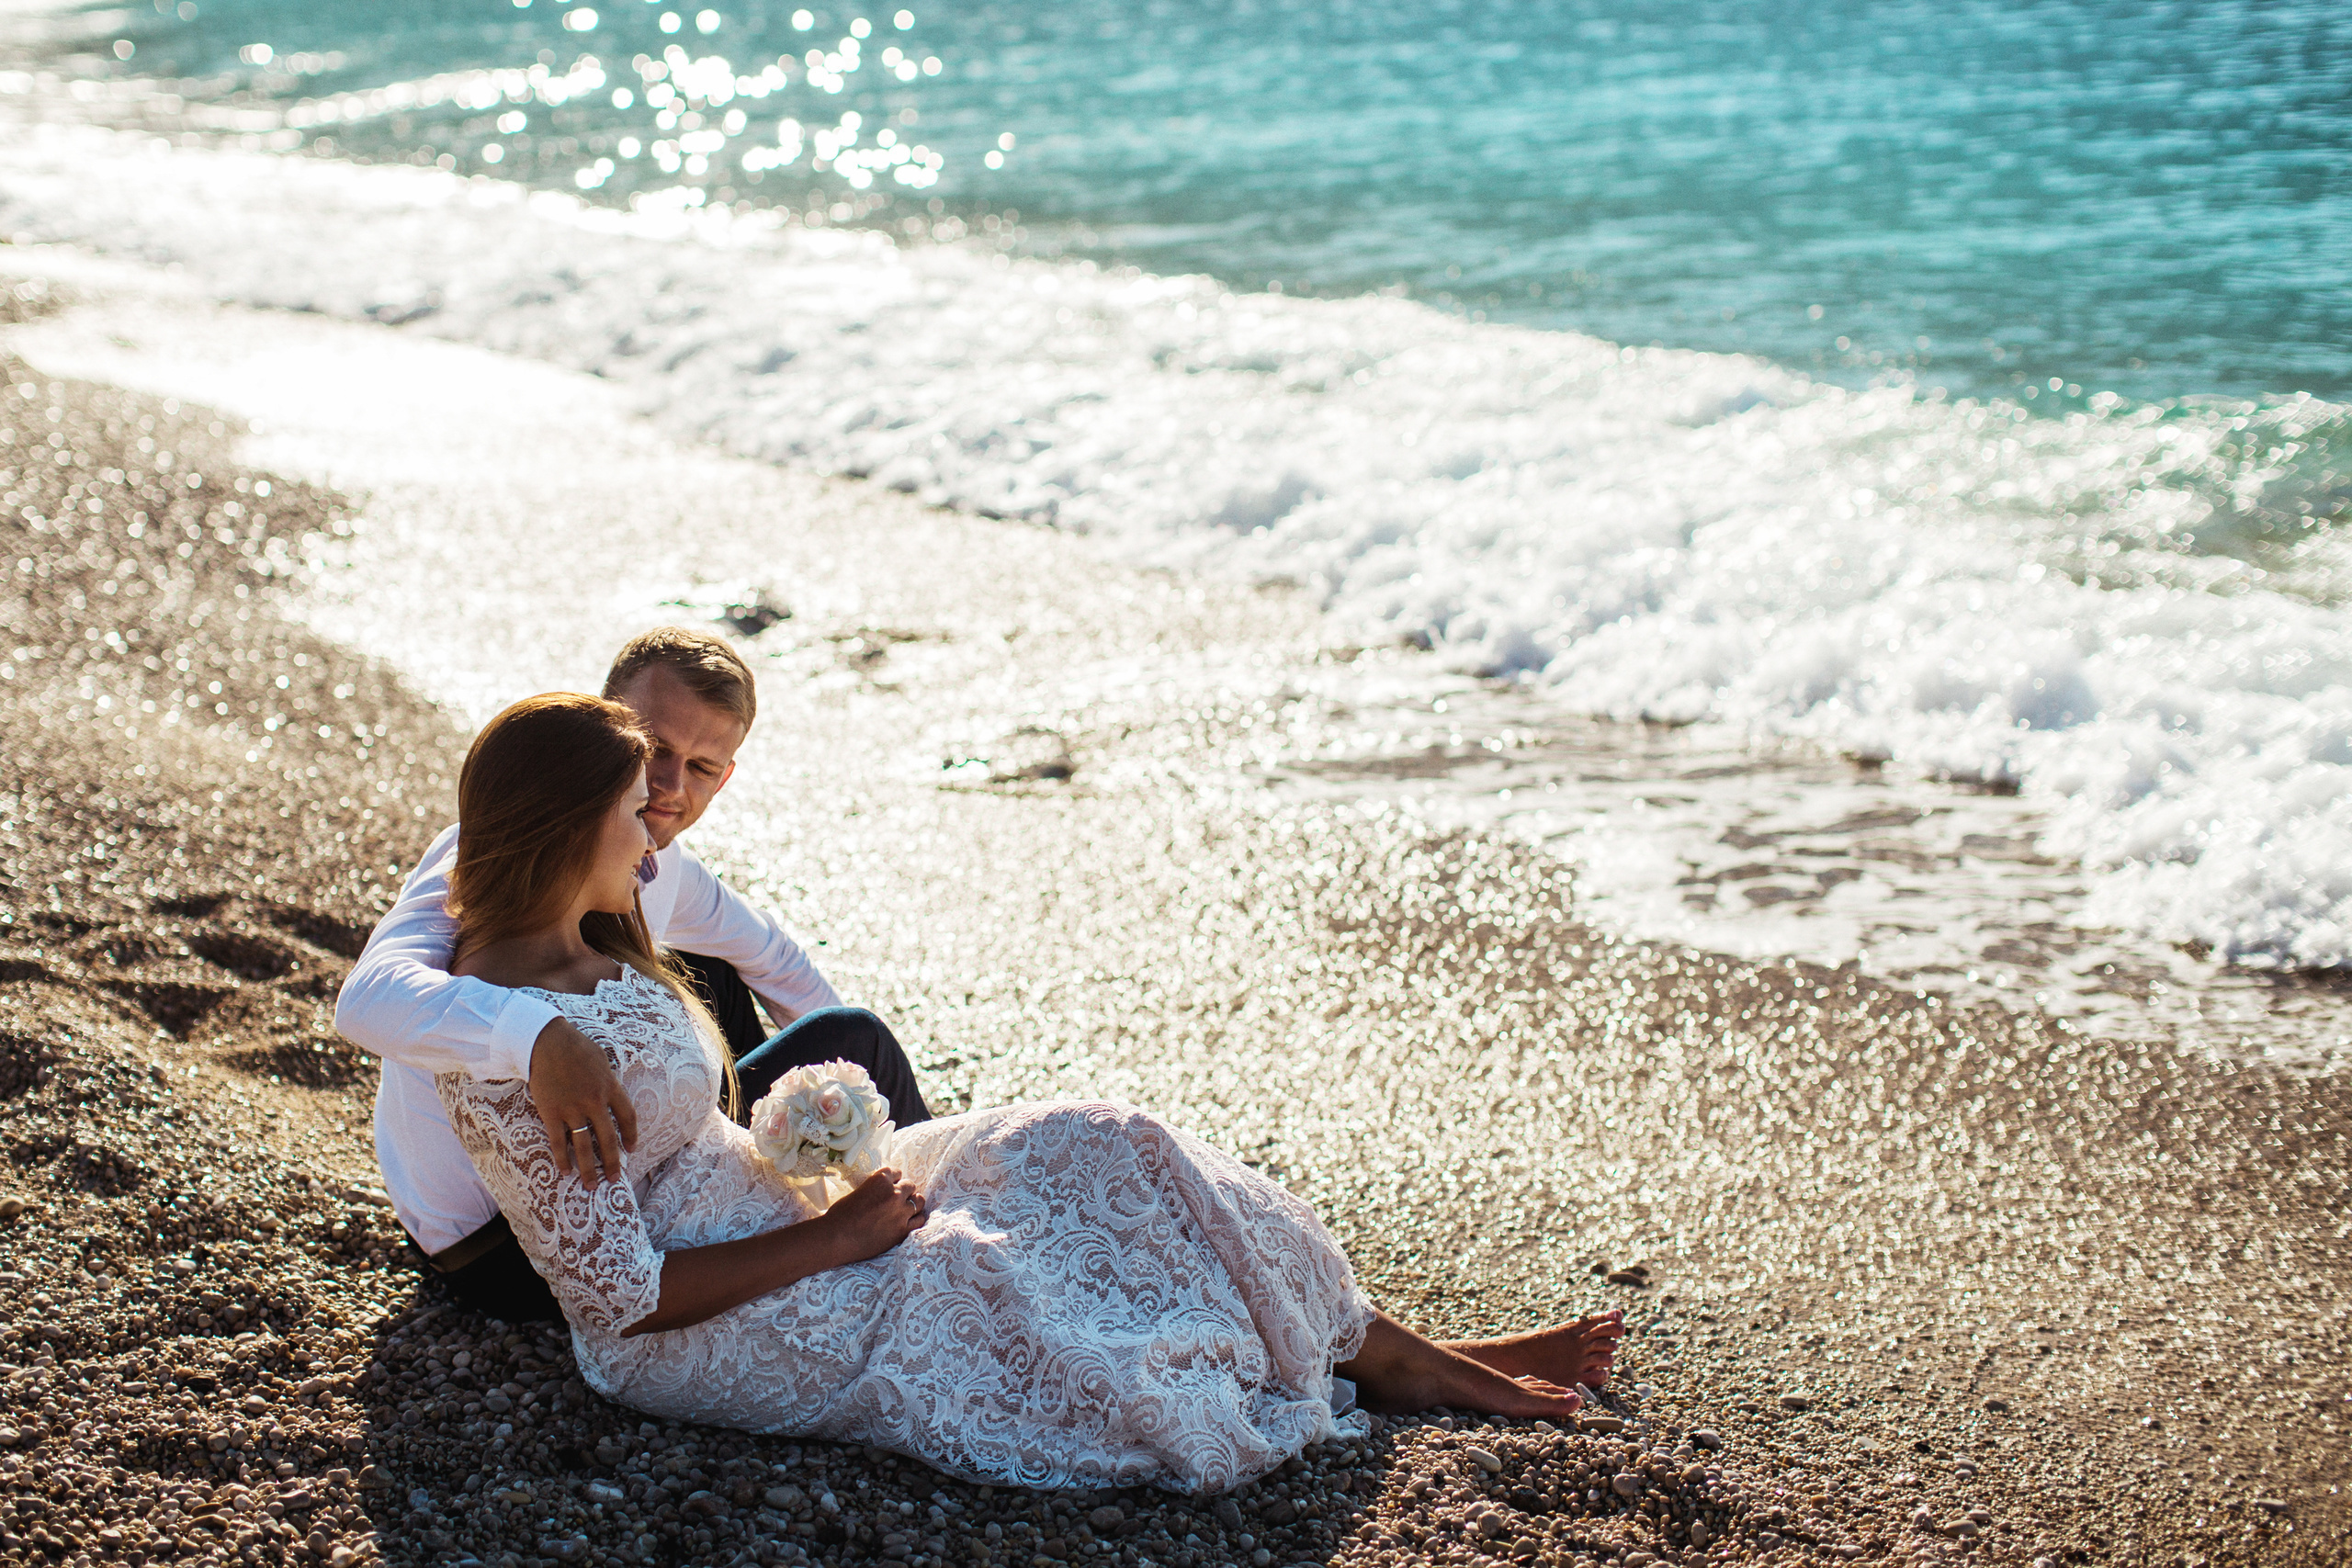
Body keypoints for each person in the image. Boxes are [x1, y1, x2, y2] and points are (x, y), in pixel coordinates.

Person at [432, 692, 1623, 1493]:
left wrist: (817, 1161)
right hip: (711, 1323)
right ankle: (1403, 1368)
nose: (656, 831)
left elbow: (701, 1103)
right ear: (566, 823)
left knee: (1095, 1142)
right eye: (633, 808)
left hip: (775, 1207)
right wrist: (839, 1235)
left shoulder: (595, 941)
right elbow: (616, 1302)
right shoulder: (498, 1041)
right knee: (1004, 1282)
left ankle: (1381, 1343)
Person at [335, 627, 929, 1323]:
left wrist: (837, 1102)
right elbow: (366, 999)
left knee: (729, 985)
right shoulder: (491, 851)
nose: (670, 786)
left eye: (702, 767)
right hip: (499, 1235)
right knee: (846, 1035)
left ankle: (892, 1190)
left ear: (725, 777)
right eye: (654, 748)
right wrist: (539, 1037)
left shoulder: (660, 863)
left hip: (619, 1163)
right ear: (605, 726)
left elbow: (775, 959)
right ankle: (912, 1221)